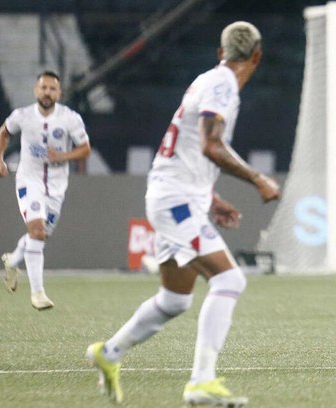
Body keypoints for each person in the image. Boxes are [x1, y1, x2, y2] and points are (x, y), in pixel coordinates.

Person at [85, 21, 280, 407]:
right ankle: (200, 383)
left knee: (175, 299)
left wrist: (209, 196)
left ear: (220, 51)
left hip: (175, 195)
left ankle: (109, 353)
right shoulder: (222, 84)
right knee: (230, 280)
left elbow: (191, 148)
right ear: (256, 56)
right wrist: (257, 178)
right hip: (175, 200)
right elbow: (211, 145)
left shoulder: (208, 80)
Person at [0, 70, 91, 311]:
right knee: (36, 231)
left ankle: (13, 261)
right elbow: (4, 133)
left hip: (57, 186)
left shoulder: (70, 119)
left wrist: (63, 156)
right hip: (29, 181)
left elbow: (85, 149)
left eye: (52, 88)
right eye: (43, 87)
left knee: (40, 235)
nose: (47, 92)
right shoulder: (22, 116)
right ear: (36, 90)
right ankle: (38, 294)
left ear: (59, 93)